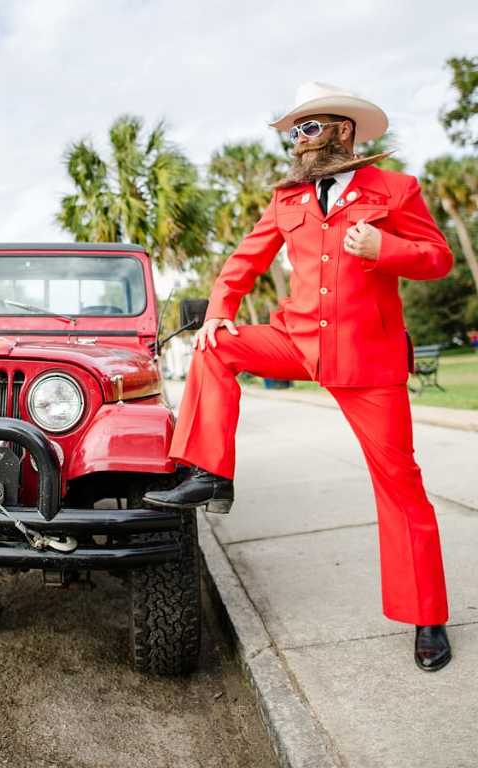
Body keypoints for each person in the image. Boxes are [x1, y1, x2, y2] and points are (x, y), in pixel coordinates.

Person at [143, 82, 453, 672]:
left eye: (309, 128)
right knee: (217, 346)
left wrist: (386, 246)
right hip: (295, 341)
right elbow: (242, 262)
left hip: (368, 360)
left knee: (401, 486)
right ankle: (210, 474)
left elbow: (438, 257)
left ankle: (427, 616)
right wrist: (218, 312)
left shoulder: (396, 189)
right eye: (293, 132)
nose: (299, 141)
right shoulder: (289, 198)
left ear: (343, 130)